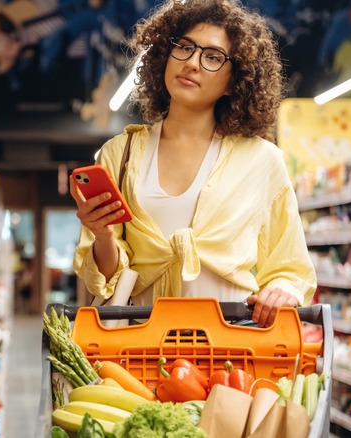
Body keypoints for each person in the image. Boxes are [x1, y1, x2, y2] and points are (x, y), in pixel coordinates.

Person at [70, 0, 316, 328]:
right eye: (184, 47)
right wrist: (101, 235)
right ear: (164, 56)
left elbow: (291, 268)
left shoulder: (262, 160)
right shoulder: (119, 154)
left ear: (234, 80)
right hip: (140, 347)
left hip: (230, 347)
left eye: (212, 57)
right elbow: (103, 278)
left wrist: (282, 290)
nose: (192, 63)